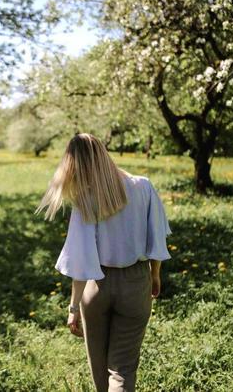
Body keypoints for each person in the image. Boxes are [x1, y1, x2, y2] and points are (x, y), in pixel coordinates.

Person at [36, 133, 172, 392]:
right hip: (136, 282)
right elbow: (157, 238)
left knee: (99, 369)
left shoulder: (86, 200)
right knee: (122, 371)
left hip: (97, 286)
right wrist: (155, 274)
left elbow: (80, 260)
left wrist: (73, 307)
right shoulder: (143, 186)